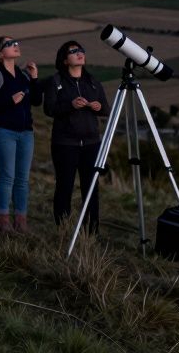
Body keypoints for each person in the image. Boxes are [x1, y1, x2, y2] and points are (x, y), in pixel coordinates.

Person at [44, 40, 109, 232]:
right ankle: (63, 230)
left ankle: (92, 232)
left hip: (91, 143)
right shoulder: (56, 82)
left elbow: (106, 109)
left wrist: (98, 107)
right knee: (65, 188)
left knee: (91, 190)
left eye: (81, 50)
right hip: (65, 144)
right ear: (64, 60)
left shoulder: (93, 82)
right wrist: (70, 105)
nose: (79, 53)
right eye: (73, 51)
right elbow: (49, 109)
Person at [0, 36, 40, 233]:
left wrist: (34, 78)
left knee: (22, 179)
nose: (16, 46)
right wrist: (10, 100)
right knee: (7, 177)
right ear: (0, 53)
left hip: (26, 132)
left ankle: (21, 222)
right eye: (10, 44)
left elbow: (37, 101)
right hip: (3, 131)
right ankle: (3, 222)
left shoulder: (23, 75)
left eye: (16, 43)